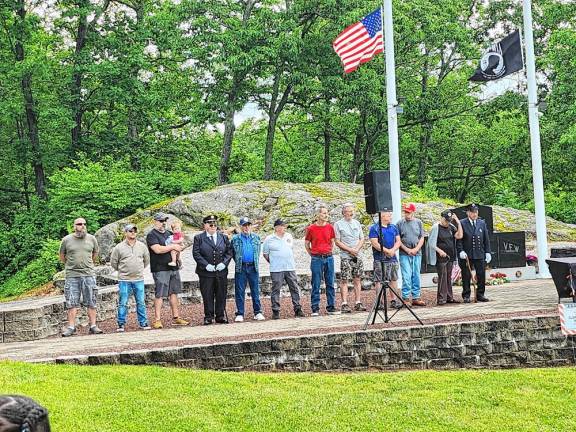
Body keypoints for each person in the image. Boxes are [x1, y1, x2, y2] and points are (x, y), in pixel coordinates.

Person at [59, 217, 103, 337]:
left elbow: (95, 253)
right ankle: (71, 327)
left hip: (89, 274)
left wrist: (88, 264)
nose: (82, 226)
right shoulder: (66, 240)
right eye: (79, 224)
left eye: (84, 224)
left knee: (91, 301)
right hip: (72, 275)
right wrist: (70, 265)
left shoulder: (92, 239)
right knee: (72, 302)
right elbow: (62, 255)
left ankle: (93, 326)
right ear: (74, 226)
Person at [146, 213, 189, 329]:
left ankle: (176, 317)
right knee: (160, 293)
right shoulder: (151, 235)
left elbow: (177, 247)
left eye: (164, 220)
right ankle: (157, 320)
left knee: (173, 293)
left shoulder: (170, 233)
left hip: (173, 267)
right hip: (160, 268)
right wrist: (173, 247)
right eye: (160, 221)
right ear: (154, 221)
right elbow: (157, 249)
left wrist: (179, 256)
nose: (163, 223)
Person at [110, 224, 151, 332]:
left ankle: (143, 322)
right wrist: (123, 271)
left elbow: (146, 260)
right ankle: (121, 323)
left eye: (134, 231)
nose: (133, 233)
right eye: (130, 231)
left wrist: (139, 269)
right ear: (126, 233)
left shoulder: (142, 246)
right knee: (123, 302)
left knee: (141, 302)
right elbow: (114, 262)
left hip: (139, 279)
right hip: (124, 279)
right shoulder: (118, 247)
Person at [192, 215, 233, 325]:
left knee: (221, 293)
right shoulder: (199, 238)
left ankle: (220, 316)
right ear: (205, 225)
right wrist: (206, 265)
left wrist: (224, 263)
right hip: (206, 272)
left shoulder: (223, 237)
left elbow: (229, 252)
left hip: (221, 272)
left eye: (214, 224)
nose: (212, 226)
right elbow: (196, 254)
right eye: (210, 224)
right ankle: (208, 316)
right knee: (207, 294)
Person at [262, 219, 305, 319]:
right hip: (276, 269)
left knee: (294, 287)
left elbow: (290, 249)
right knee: (276, 289)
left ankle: (297, 308)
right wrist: (274, 261)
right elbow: (265, 254)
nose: (284, 228)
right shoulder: (269, 239)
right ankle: (276, 310)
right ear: (276, 227)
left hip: (290, 267)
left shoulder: (289, 236)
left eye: (285, 226)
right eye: (282, 226)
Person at [304, 205, 339, 316]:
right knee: (316, 283)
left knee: (330, 282)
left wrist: (327, 251)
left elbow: (332, 241)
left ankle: (331, 306)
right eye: (323, 213)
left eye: (326, 213)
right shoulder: (311, 228)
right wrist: (313, 254)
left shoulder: (330, 227)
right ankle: (315, 308)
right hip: (316, 258)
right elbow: (306, 243)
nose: (326, 215)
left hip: (328, 257)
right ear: (318, 214)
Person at [231, 217, 264, 322]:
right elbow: (232, 253)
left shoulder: (256, 238)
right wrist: (238, 261)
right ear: (241, 227)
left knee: (255, 290)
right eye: (244, 225)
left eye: (248, 225)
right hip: (241, 267)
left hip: (253, 267)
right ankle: (240, 313)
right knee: (239, 290)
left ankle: (257, 312)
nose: (246, 227)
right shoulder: (235, 239)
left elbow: (258, 252)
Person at [334, 203, 366, 313]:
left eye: (352, 211)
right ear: (343, 212)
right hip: (345, 256)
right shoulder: (338, 224)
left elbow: (362, 238)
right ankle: (344, 303)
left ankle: (358, 302)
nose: (350, 213)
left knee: (357, 279)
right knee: (344, 279)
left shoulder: (357, 223)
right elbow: (337, 241)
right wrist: (349, 250)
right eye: (348, 211)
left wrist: (356, 249)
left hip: (357, 255)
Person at [427, 210, 463, 305]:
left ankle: (449, 297)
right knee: (442, 277)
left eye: (449, 220)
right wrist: (440, 251)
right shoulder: (436, 227)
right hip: (441, 257)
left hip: (450, 256)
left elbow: (459, 236)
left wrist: (458, 223)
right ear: (442, 218)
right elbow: (431, 243)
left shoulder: (451, 227)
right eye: (446, 220)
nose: (448, 222)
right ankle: (441, 298)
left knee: (448, 277)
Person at [457, 203, 492, 302]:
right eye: (472, 212)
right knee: (466, 275)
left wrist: (487, 252)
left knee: (481, 275)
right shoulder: (462, 223)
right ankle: (466, 295)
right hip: (467, 255)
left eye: (476, 212)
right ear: (468, 212)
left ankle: (480, 294)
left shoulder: (481, 223)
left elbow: (486, 239)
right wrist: (460, 251)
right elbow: (459, 239)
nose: (474, 214)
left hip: (479, 253)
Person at [369, 210, 402, 308]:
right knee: (379, 280)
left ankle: (394, 300)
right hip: (380, 258)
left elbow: (398, 241)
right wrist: (387, 251)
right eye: (389, 216)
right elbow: (375, 243)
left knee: (393, 278)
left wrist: (393, 250)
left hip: (392, 258)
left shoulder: (393, 227)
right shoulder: (374, 228)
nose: (391, 217)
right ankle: (380, 302)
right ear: (382, 217)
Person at [396, 203, 425, 306]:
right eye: (405, 212)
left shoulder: (419, 222)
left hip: (417, 253)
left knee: (416, 275)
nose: (406, 214)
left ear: (413, 212)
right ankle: (405, 297)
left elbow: (422, 237)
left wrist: (416, 249)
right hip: (404, 253)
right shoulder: (400, 223)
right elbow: (398, 239)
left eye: (408, 212)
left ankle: (416, 296)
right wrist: (407, 250)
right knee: (406, 275)